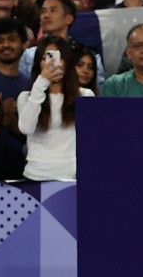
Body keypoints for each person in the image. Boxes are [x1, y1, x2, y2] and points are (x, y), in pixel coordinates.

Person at [17, 35, 93, 180]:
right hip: (35, 174)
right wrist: (41, 83)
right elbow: (26, 128)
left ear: (67, 62)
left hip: (73, 175)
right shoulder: (26, 97)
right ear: (38, 63)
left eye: (58, 58)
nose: (52, 63)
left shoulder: (85, 95)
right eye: (46, 58)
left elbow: (90, 139)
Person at [0, 17, 30, 180]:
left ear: (24, 44)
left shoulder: (30, 84)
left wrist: (12, 124)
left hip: (19, 170)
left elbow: (34, 134)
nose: (6, 45)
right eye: (0, 41)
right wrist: (0, 111)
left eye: (12, 39)